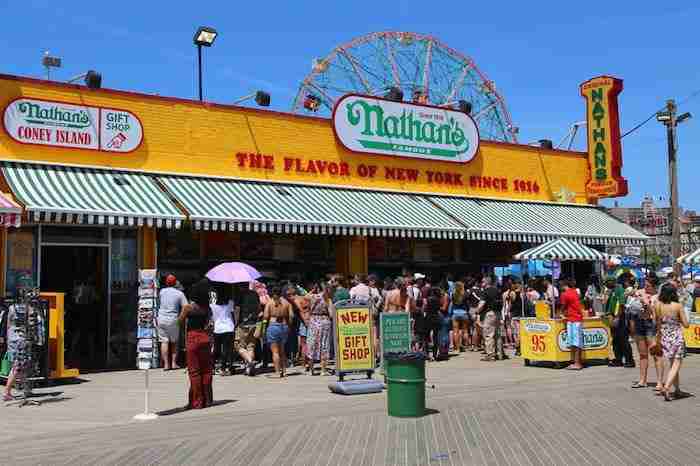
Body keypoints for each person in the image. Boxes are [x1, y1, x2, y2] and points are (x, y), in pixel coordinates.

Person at [178, 279, 213, 409]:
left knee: (194, 372)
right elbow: (210, 324)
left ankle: (197, 402)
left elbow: (179, 322)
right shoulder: (207, 308)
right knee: (207, 370)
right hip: (205, 337)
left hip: (193, 338)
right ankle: (208, 399)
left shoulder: (188, 307)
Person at [655, 284, 690, 401]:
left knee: (672, 364)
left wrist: (658, 338)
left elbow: (657, 323)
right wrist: (679, 317)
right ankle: (667, 387)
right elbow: (686, 324)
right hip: (676, 336)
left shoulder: (658, 305)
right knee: (677, 364)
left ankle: (677, 390)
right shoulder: (678, 306)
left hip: (665, 336)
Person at [629, 278, 664, 390]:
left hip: (651, 324)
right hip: (639, 322)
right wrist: (633, 294)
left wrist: (645, 302)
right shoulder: (641, 292)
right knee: (642, 354)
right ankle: (642, 380)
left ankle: (659, 382)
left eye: (648, 286)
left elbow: (656, 314)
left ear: (654, 287)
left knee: (656, 354)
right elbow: (630, 297)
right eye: (645, 285)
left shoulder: (658, 297)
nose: (645, 287)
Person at [158, 274, 188, 370]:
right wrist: (181, 318)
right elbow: (186, 306)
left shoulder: (162, 291)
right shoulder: (179, 293)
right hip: (173, 318)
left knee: (164, 341)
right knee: (174, 342)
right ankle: (174, 363)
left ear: (166, 282)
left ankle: (166, 364)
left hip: (162, 318)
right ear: (175, 283)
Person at [604, 278, 634, 368]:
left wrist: (617, 317)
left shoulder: (619, 289)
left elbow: (621, 304)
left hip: (619, 318)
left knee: (623, 340)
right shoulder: (612, 290)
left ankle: (629, 360)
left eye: (607, 282)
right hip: (612, 317)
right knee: (616, 340)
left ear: (612, 281)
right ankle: (618, 359)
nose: (606, 284)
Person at [263, 286, 292, 378]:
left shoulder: (269, 303)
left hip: (273, 326)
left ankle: (277, 371)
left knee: (275, 352)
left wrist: (264, 329)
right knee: (282, 350)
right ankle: (284, 370)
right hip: (284, 326)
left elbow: (265, 317)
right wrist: (289, 325)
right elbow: (291, 316)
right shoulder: (287, 303)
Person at [306, 283, 334, 376]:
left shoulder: (313, 297)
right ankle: (323, 370)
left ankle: (311, 370)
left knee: (311, 344)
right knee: (324, 345)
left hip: (313, 321)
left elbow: (305, 296)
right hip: (325, 322)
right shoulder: (328, 300)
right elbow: (331, 314)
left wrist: (313, 290)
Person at [234, 282, 260, 376]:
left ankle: (250, 362)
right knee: (250, 346)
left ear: (240, 285)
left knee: (238, 346)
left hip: (243, 324)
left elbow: (237, 310)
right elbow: (259, 308)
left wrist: (235, 323)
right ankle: (248, 369)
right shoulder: (255, 294)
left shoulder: (239, 295)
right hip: (254, 323)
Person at [560, 278, 584, 370]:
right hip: (575, 318)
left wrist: (560, 314)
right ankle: (575, 362)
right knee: (575, 342)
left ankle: (577, 363)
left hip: (574, 319)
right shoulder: (575, 292)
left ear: (564, 285)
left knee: (576, 342)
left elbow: (563, 307)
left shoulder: (565, 294)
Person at [211, 283, 235, 376]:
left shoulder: (213, 304)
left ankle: (212, 368)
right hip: (229, 327)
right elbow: (233, 315)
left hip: (217, 328)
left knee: (216, 349)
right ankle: (224, 368)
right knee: (227, 349)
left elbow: (212, 317)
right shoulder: (230, 302)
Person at [480, 276, 503, 361]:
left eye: (482, 282)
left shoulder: (485, 291)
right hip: (498, 313)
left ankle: (490, 355)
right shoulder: (497, 290)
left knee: (489, 335)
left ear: (486, 283)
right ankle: (500, 354)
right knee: (497, 335)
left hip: (489, 314)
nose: (481, 284)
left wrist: (477, 312)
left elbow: (482, 303)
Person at [450, 281, 469, 352]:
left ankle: (457, 348)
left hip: (455, 313)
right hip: (464, 313)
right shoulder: (465, 294)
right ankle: (466, 347)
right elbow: (467, 304)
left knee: (455, 331)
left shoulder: (452, 294)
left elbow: (452, 303)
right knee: (465, 331)